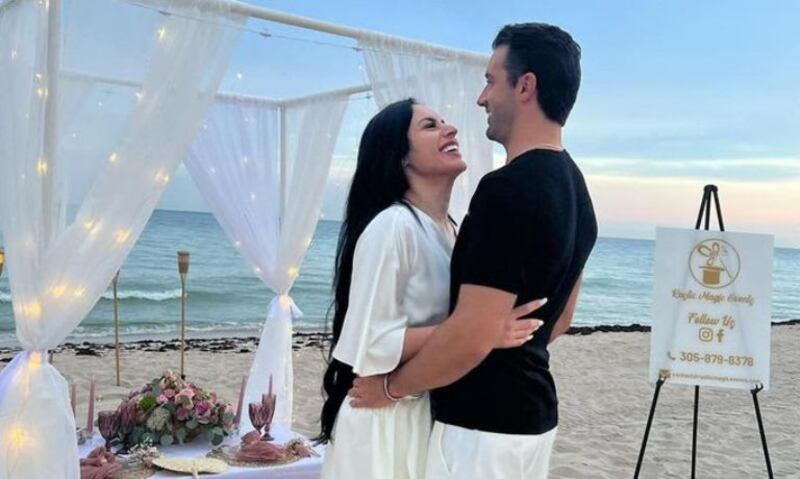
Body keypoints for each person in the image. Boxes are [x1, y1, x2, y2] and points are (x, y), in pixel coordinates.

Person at [349, 23, 598, 478]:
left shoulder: (507, 188)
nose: (482, 99)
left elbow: (471, 335)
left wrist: (391, 388)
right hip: (534, 417)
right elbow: (558, 320)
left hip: (483, 422)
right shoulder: (579, 192)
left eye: (490, 81)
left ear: (525, 86)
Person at [317, 98, 544, 478]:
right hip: (385, 421)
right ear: (400, 155)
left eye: (443, 121)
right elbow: (370, 342)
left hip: (426, 407)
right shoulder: (392, 227)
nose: (450, 129)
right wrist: (481, 331)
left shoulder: (454, 231)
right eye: (430, 126)